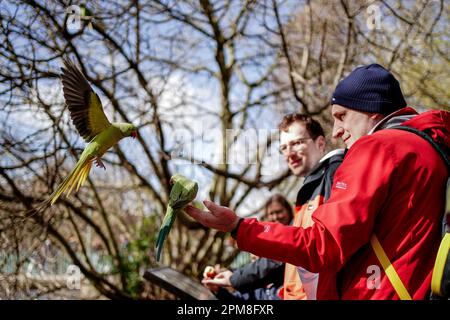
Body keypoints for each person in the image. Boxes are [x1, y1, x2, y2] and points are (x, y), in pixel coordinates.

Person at [186, 64, 450, 299]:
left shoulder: (376, 148)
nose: (336, 130)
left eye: (341, 116)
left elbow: (322, 246)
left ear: (371, 108)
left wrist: (239, 227)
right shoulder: (432, 148)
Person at [206, 114, 345, 300]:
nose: (289, 153)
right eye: (284, 148)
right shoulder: (309, 190)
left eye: (297, 143)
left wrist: (236, 276)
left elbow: (319, 248)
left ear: (320, 143)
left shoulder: (336, 175)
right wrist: (234, 277)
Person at [203, 194, 293, 300]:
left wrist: (233, 277)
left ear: (288, 211)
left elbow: (269, 264)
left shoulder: (295, 234)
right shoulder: (260, 288)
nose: (275, 217)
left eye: (279, 212)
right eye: (271, 213)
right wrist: (219, 288)